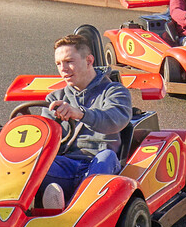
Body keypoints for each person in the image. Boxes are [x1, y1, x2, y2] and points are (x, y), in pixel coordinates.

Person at [34, 33, 136, 209]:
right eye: (59, 64)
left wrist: (80, 113)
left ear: (89, 60)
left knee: (106, 157)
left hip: (100, 163)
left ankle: (76, 208)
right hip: (66, 165)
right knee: (33, 162)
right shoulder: (55, 98)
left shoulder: (115, 92)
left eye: (69, 61)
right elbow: (44, 139)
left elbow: (115, 120)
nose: (63, 69)